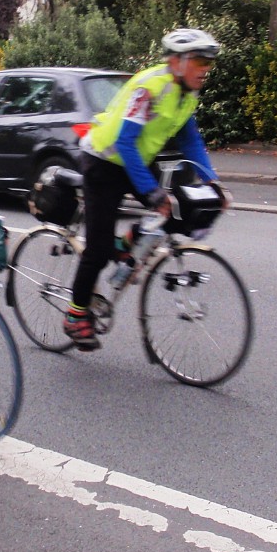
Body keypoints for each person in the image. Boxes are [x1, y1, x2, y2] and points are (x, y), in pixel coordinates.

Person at [64, 28, 227, 351]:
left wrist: (212, 181)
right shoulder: (149, 88)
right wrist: (151, 192)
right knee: (96, 252)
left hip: (136, 160)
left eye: (208, 61)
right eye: (198, 60)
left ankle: (127, 241)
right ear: (176, 62)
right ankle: (75, 315)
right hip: (104, 162)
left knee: (175, 210)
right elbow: (124, 141)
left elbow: (190, 140)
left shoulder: (187, 94)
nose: (205, 67)